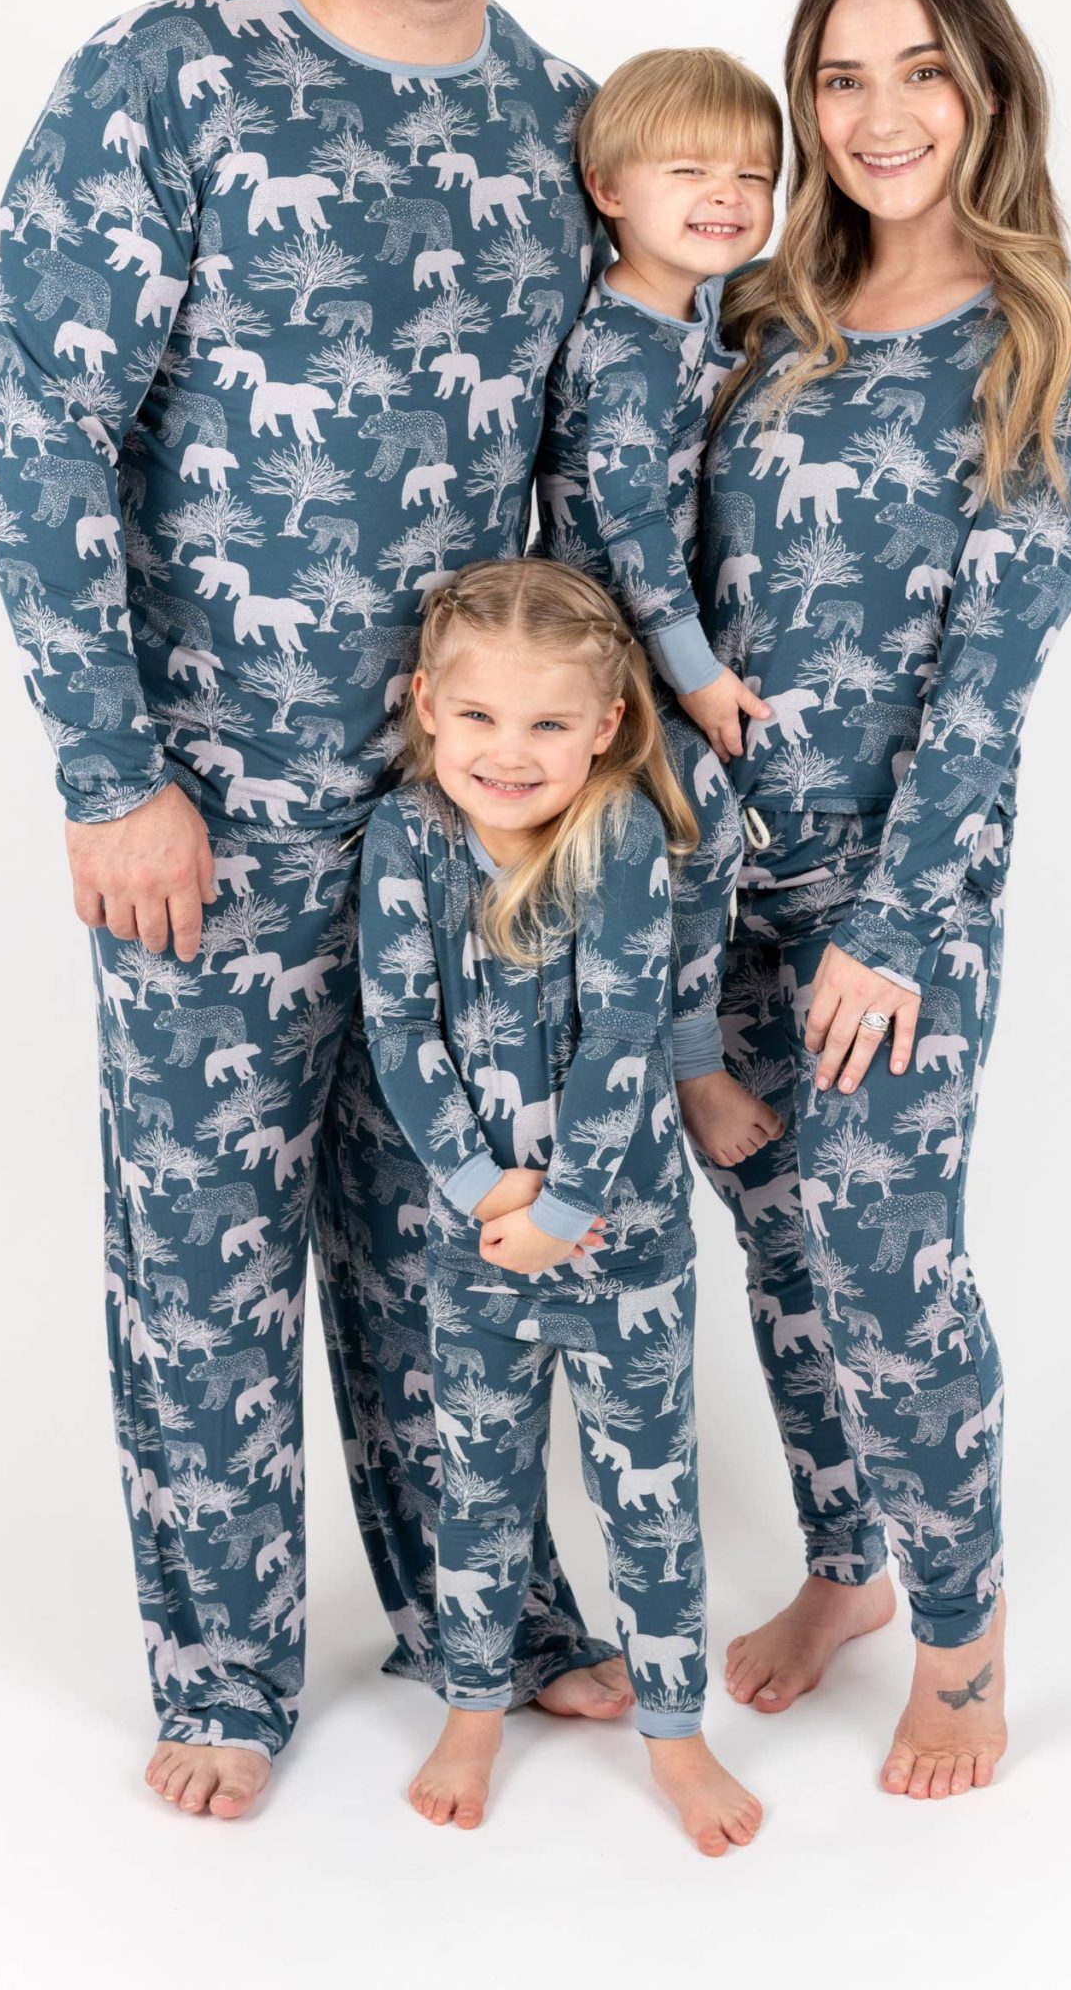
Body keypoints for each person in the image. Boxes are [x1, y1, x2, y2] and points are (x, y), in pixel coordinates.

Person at [0, 0, 641, 1822]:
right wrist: (109, 772)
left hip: (473, 814)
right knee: (204, 1243)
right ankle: (221, 1669)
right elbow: (39, 433)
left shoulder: (562, 125)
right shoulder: (165, 82)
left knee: (456, 1225)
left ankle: (486, 1614)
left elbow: (589, 479)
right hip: (211, 808)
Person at [692, 0, 1071, 1799]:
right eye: (839, 77)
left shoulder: (1060, 336)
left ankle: (959, 1644)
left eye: (920, 72)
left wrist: (887, 930)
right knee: (777, 1246)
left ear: (986, 89)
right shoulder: (748, 316)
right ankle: (844, 1567)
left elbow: (989, 669)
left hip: (902, 905)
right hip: (711, 893)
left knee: (884, 1262)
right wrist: (665, 950)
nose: (879, 116)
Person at [358, 560, 763, 1856]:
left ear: (604, 725)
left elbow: (621, 1029)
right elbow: (397, 1029)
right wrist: (487, 1193)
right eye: (479, 715)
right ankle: (473, 1712)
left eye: (546, 722)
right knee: (477, 1490)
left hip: (623, 1251)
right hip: (476, 1250)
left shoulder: (620, 834)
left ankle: (676, 1734)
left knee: (650, 1494)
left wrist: (569, 1198)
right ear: (427, 705)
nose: (509, 751)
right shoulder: (406, 840)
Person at [533, 46, 785, 1172]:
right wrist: (693, 673)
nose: (727, 196)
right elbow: (632, 525)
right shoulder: (625, 344)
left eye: (753, 175)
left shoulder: (697, 306)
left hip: (653, 636)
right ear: (608, 190)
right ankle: (692, 1064)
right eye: (689, 171)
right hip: (616, 651)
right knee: (703, 825)